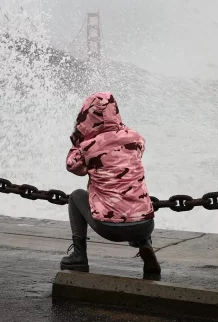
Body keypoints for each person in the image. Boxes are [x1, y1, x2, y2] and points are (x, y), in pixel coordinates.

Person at [60, 92, 161, 279]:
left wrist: (78, 141)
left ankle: (79, 256)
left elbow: (72, 166)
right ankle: (145, 245)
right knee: (132, 194)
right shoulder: (135, 138)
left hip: (111, 228)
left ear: (86, 117)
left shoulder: (88, 147)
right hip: (146, 224)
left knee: (76, 196)